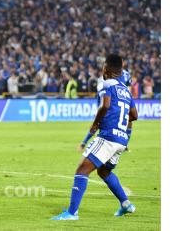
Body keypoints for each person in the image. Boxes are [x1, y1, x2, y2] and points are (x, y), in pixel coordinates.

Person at [52, 55, 138, 220]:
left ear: (106, 69)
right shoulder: (126, 91)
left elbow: (105, 105)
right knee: (104, 172)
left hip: (108, 137)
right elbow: (134, 115)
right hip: (121, 140)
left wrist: (96, 122)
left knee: (82, 169)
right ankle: (126, 204)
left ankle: (71, 213)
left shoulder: (107, 84)